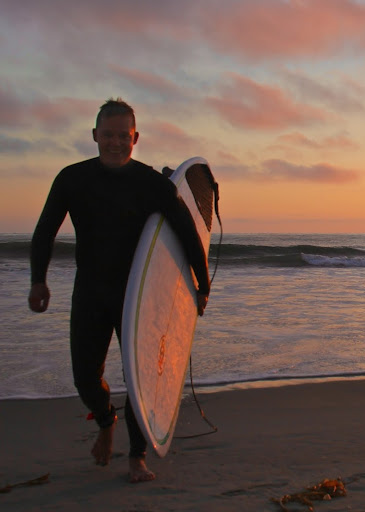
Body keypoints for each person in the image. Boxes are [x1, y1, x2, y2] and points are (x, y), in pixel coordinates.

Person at [28, 98, 210, 483]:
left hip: (141, 296)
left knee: (142, 376)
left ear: (135, 138)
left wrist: (201, 284)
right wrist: (38, 280)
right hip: (91, 292)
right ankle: (106, 420)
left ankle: (136, 458)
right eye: (108, 135)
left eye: (123, 136)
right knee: (84, 378)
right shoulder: (72, 179)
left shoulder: (151, 184)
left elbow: (187, 232)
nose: (115, 142)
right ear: (95, 135)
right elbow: (45, 231)